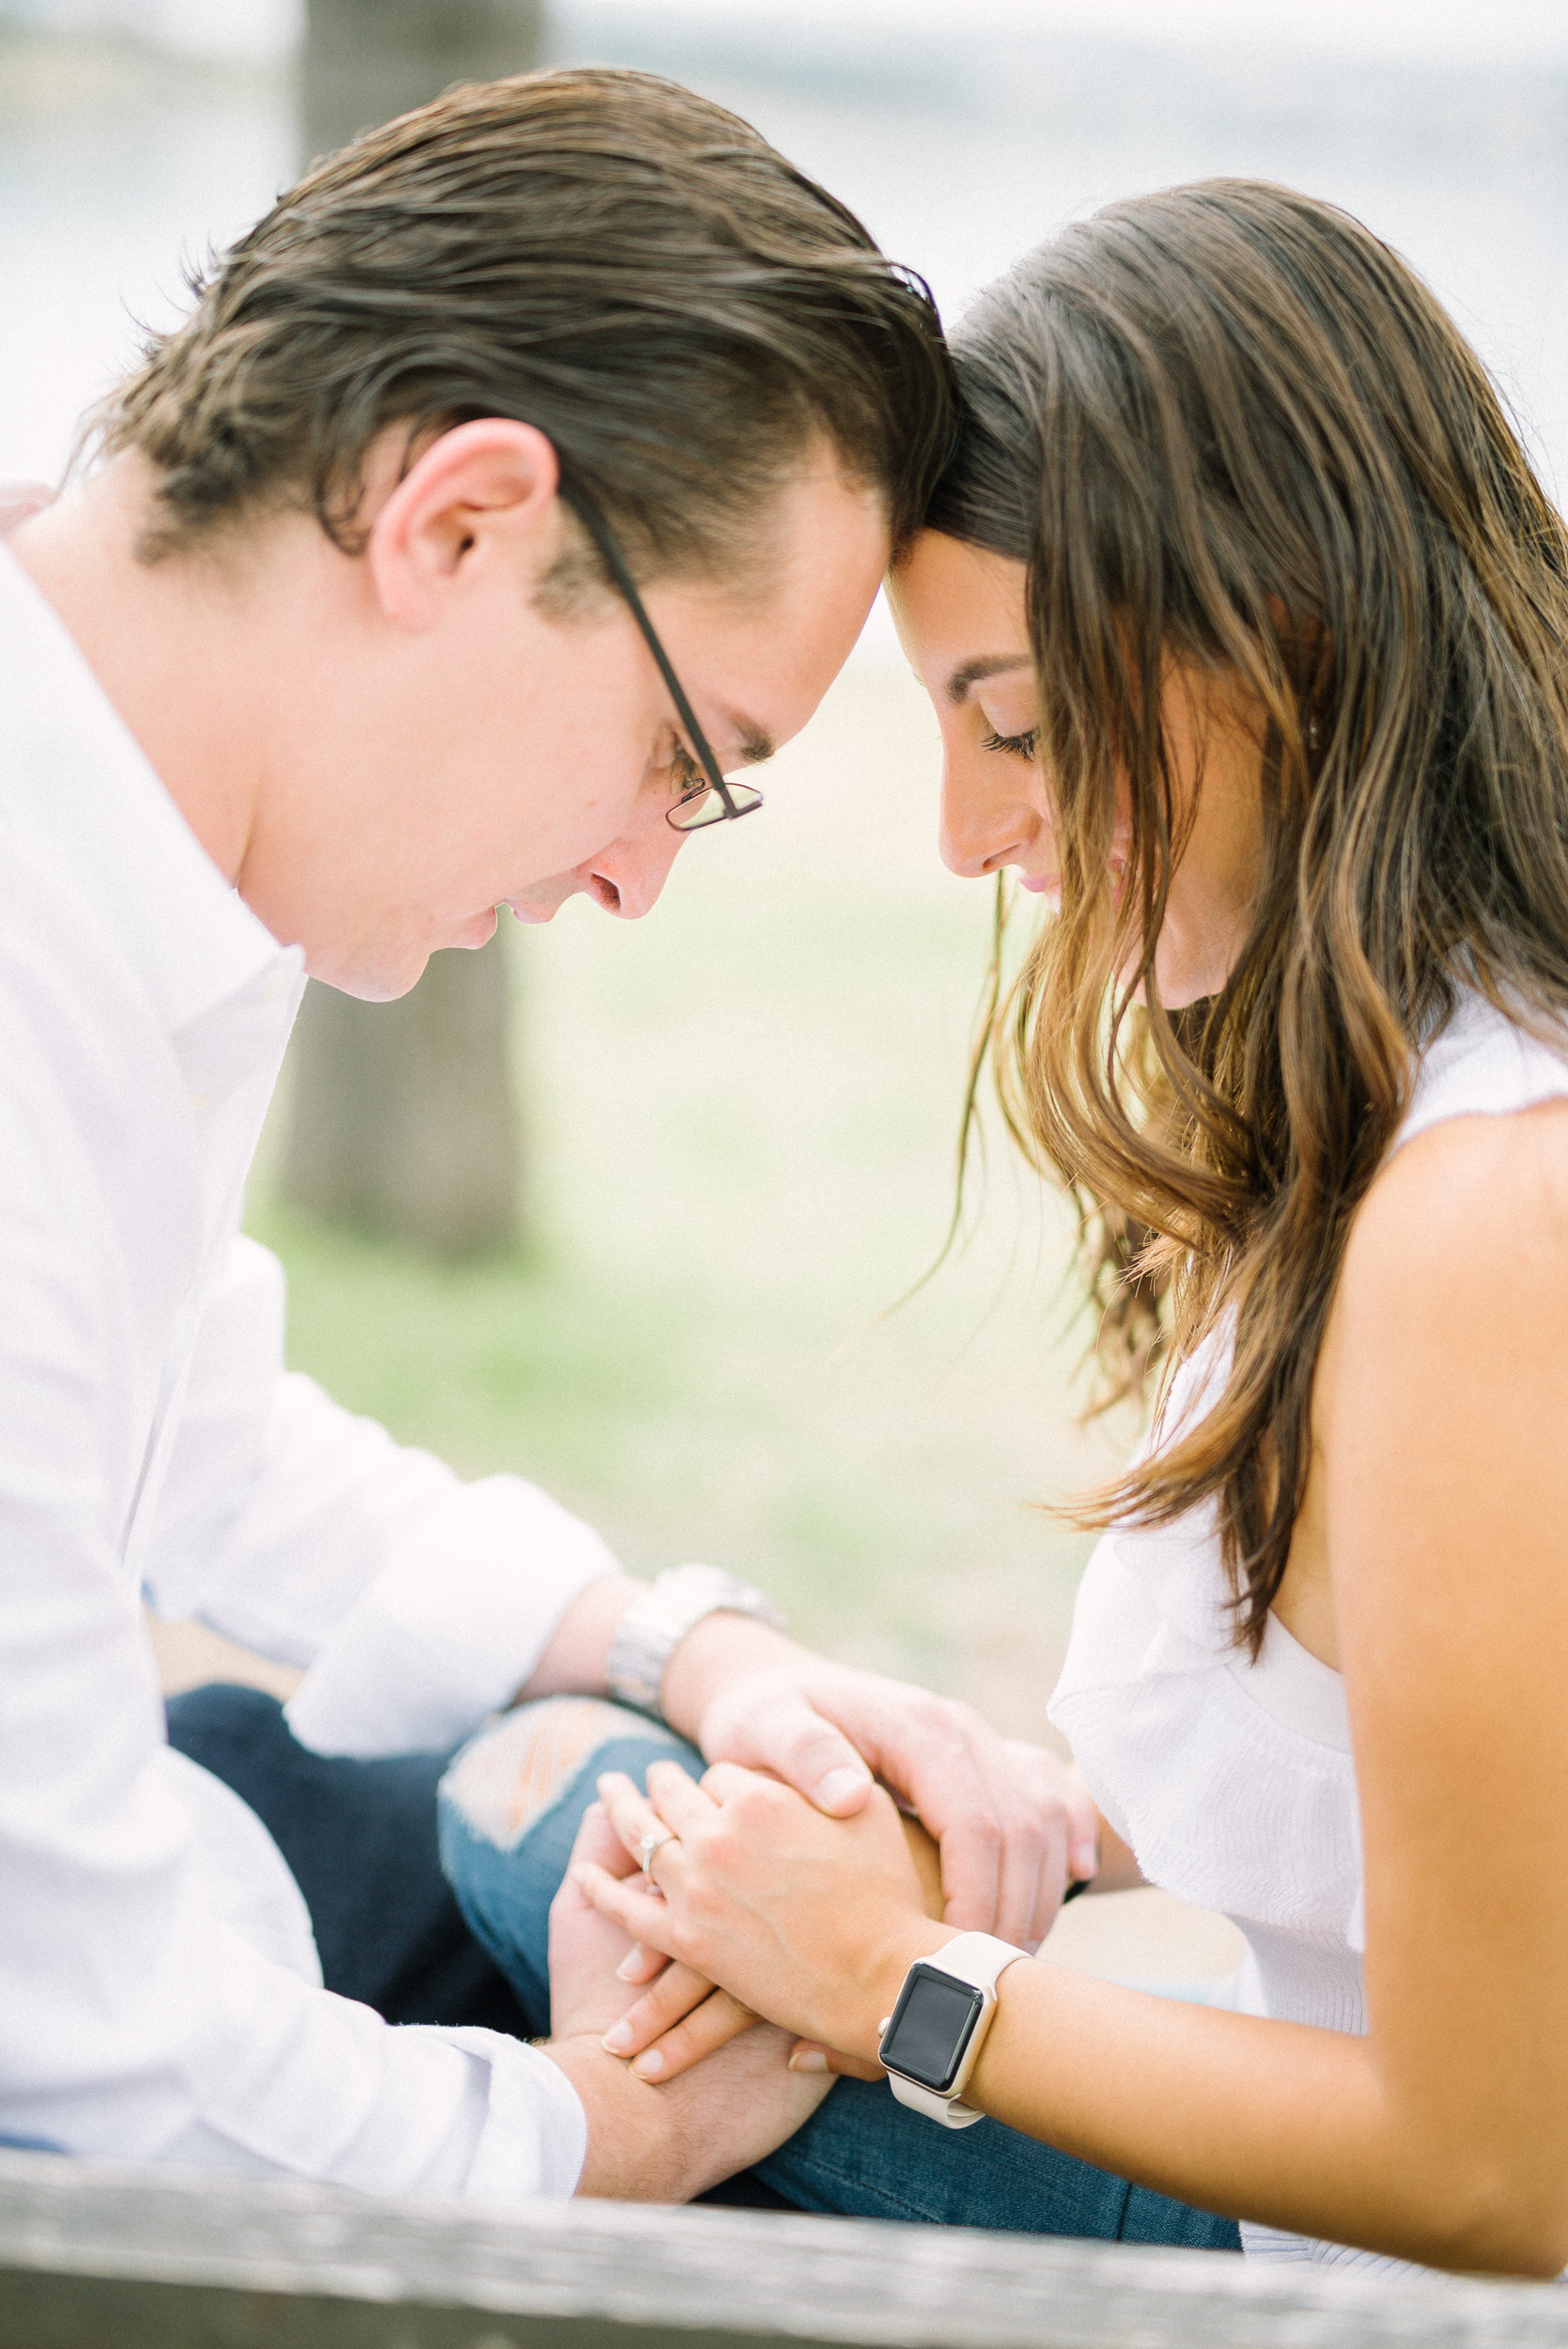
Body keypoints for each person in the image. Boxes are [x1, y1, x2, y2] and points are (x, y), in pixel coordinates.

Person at [0, 63, 1110, 2203]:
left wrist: (686, 1641)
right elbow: (85, 2021)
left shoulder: (116, 873)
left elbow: (181, 1431)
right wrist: (606, 2127)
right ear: (460, 521)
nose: (634, 878)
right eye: (685, 752)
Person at [458, 179, 1568, 2277]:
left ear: (1285, 637)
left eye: (1019, 721)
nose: (979, 833)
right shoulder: (1401, 1109)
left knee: (531, 1804)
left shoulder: (1490, 1216)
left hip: (1373, 2292)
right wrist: (1012, 1822)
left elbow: (1510, 2166)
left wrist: (892, 1979)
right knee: (582, 1807)